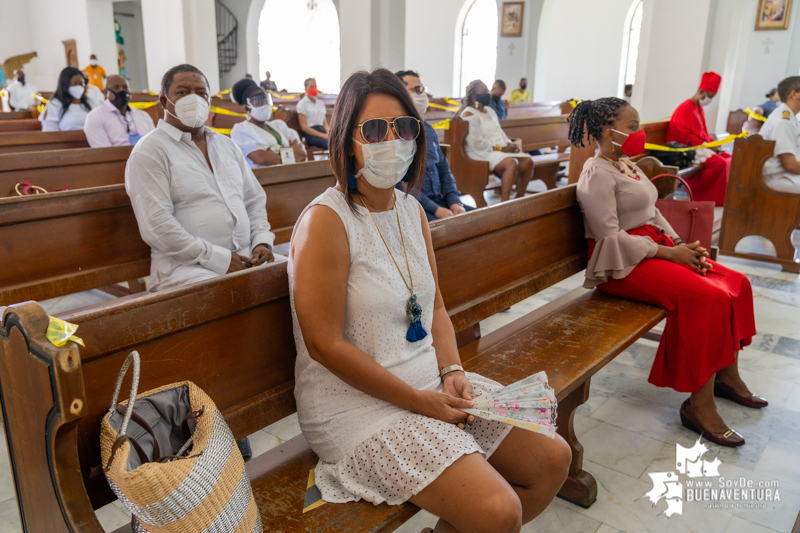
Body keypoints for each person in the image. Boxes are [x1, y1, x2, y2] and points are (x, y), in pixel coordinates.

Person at [289, 67, 571, 533]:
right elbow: (324, 345)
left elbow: (435, 305)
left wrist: (452, 369)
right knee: (498, 511)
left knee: (550, 460)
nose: (393, 140)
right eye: (375, 129)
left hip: (425, 377)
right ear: (346, 140)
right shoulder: (326, 221)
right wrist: (419, 402)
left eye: (404, 127)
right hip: (352, 403)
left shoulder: (411, 209)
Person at [569, 97, 764, 448]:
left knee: (737, 282)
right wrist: (670, 254)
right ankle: (698, 404)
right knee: (706, 297)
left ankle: (727, 376)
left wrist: (681, 245)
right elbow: (609, 238)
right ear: (606, 131)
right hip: (622, 263)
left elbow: (653, 211)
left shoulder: (626, 164)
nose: (639, 133)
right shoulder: (595, 173)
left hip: (656, 247)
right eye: (632, 127)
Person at [125, 63, 277, 293]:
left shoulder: (226, 145)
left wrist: (262, 241)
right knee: (232, 292)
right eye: (183, 92)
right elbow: (157, 226)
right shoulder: (150, 151)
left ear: (209, 101)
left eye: (201, 93)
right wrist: (219, 259)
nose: (193, 99)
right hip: (185, 267)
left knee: (295, 276)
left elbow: (253, 200)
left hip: (245, 256)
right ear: (164, 101)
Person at [395, 70, 474, 221]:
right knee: (451, 231)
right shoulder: (395, 133)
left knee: (483, 219)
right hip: (414, 206)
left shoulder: (428, 129)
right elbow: (400, 185)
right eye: (417, 89)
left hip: (442, 201)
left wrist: (454, 202)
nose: (422, 94)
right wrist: (435, 209)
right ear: (400, 93)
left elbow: (444, 168)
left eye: (423, 89)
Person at [460, 80, 534, 202]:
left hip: (498, 150)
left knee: (528, 161)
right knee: (511, 163)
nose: (488, 94)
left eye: (488, 91)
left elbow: (499, 132)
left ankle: (519, 199)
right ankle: (504, 203)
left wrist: (509, 143)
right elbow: (476, 143)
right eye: (484, 92)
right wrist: (502, 148)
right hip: (482, 152)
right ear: (474, 95)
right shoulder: (468, 113)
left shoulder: (490, 111)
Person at [666, 71, 731, 206]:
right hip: (686, 149)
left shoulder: (699, 108)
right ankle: (705, 197)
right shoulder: (685, 108)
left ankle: (722, 197)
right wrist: (707, 146)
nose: (709, 100)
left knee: (728, 157)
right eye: (709, 96)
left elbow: (705, 134)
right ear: (701, 92)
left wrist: (715, 145)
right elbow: (683, 136)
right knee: (719, 163)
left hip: (699, 146)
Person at [229, 78, 307, 167]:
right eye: (259, 102)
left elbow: (301, 151)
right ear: (247, 108)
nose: (264, 105)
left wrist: (274, 152)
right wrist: (291, 151)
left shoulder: (278, 125)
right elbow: (262, 159)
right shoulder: (241, 130)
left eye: (266, 100)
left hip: (290, 174)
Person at [84, 75, 155, 147]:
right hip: (119, 157)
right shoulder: (95, 116)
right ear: (106, 92)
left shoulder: (143, 115)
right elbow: (104, 152)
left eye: (125, 87)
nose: (122, 91)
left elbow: (155, 143)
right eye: (116, 87)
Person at [759, 76, 800, 193]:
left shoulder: (790, 118)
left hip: (786, 175)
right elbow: (790, 165)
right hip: (778, 178)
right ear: (794, 94)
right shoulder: (783, 122)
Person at [40, 67, 97, 132]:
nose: (79, 87)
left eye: (81, 83)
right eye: (74, 84)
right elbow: (50, 131)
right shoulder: (55, 104)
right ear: (65, 84)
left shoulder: (91, 102)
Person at [297, 77, 329, 149]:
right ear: (306, 88)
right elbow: (303, 126)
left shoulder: (320, 103)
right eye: (311, 86)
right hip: (311, 135)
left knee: (337, 140)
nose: (314, 88)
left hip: (322, 131)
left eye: (315, 86)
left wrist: (330, 134)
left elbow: (325, 124)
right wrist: (323, 135)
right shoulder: (302, 103)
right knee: (328, 143)